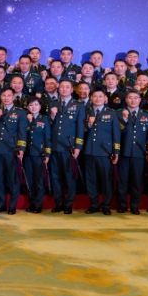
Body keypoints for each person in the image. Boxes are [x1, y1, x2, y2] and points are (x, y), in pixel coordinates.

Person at [49, 79, 85, 214]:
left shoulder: (78, 105)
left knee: (69, 176)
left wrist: (78, 146)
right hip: (54, 146)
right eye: (62, 87)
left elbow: (80, 127)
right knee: (55, 176)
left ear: (71, 89)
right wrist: (52, 116)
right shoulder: (53, 104)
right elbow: (48, 126)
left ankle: (68, 204)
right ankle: (58, 203)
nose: (64, 89)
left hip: (69, 146)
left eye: (67, 87)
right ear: (58, 89)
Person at [83, 89, 121, 215]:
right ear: (91, 98)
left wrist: (116, 151)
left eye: (100, 96)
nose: (97, 99)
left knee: (106, 180)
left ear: (105, 99)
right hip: (89, 150)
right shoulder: (86, 112)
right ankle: (93, 204)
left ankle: (106, 204)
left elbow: (116, 134)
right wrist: (89, 124)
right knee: (91, 180)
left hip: (105, 152)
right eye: (95, 96)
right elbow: (81, 130)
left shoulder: (111, 113)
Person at [118, 89, 148, 215]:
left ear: (140, 100)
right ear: (126, 100)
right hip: (123, 152)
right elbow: (117, 133)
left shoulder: (146, 115)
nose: (133, 100)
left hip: (139, 153)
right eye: (130, 97)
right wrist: (124, 120)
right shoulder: (119, 114)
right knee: (122, 181)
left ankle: (135, 206)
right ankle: (122, 205)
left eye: (135, 98)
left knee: (137, 181)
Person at [0, 88, 28, 215]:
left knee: (12, 179)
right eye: (3, 95)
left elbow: (22, 133)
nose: (6, 98)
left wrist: (21, 149)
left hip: (12, 150)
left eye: (9, 95)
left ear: (13, 97)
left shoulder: (20, 112)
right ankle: (1, 204)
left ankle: (12, 205)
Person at [24, 96, 51, 213]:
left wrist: (47, 154)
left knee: (39, 180)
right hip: (27, 154)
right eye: (31, 105)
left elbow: (48, 138)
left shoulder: (44, 119)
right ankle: (32, 203)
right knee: (29, 180)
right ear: (27, 107)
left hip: (39, 154)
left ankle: (38, 205)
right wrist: (29, 122)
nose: (33, 107)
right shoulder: (25, 119)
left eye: (36, 104)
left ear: (40, 106)